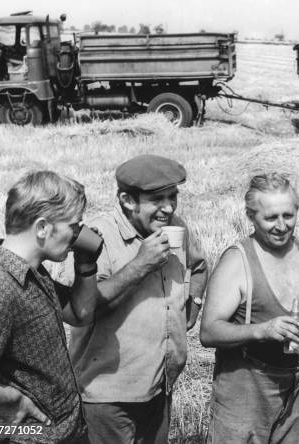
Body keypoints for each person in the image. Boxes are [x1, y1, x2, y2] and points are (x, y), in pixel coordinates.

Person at [67, 154, 208, 444]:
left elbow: (200, 266)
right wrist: (140, 265)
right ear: (127, 200)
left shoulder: (175, 227)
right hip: (107, 395)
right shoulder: (97, 238)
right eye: (157, 199)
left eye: (173, 197)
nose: (168, 208)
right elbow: (84, 310)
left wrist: (192, 305)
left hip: (160, 385)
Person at [200, 172, 299, 444]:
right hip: (247, 387)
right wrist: (262, 330)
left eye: (288, 216)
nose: (282, 226)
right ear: (251, 216)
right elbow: (208, 332)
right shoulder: (237, 262)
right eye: (271, 218)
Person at [0, 171, 101, 443]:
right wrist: (10, 398)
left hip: (66, 431)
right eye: (74, 226)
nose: (78, 235)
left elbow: (81, 314)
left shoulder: (32, 272)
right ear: (43, 228)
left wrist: (86, 263)